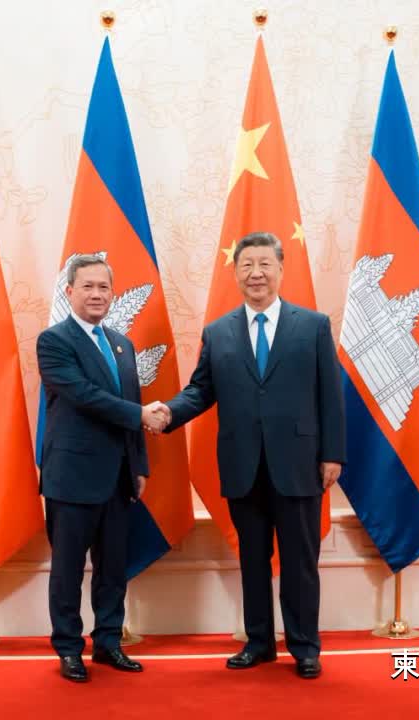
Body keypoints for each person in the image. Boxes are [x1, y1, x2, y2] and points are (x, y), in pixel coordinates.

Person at [157, 231, 346, 679]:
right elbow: (201, 390)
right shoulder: (218, 332)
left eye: (264, 264)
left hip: (299, 464)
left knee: (300, 562)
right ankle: (259, 642)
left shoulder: (313, 326)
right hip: (243, 464)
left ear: (280, 269)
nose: (256, 273)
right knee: (252, 560)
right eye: (247, 265)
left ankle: (304, 647)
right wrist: (168, 412)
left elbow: (331, 395)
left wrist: (333, 454)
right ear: (236, 272)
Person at [36, 254, 170, 683]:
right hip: (72, 476)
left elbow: (130, 401)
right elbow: (83, 395)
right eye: (87, 286)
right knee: (68, 570)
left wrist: (140, 465)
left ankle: (109, 643)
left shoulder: (121, 344)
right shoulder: (53, 341)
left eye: (104, 287)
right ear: (70, 291)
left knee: (113, 568)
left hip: (118, 477)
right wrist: (140, 416)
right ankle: (69, 649)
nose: (96, 294)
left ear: (113, 293)